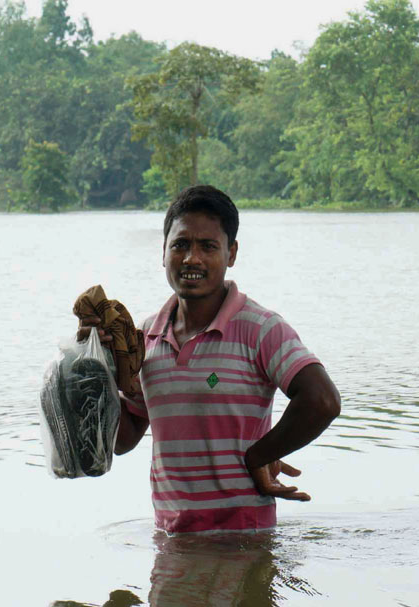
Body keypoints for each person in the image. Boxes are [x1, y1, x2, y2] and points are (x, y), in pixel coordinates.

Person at [78, 185, 341, 534]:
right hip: (172, 540)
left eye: (208, 246)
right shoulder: (145, 337)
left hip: (245, 542)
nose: (192, 259)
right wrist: (94, 367)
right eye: (181, 245)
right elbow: (123, 441)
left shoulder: (260, 329)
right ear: (163, 252)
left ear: (231, 254)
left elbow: (322, 401)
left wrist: (259, 455)